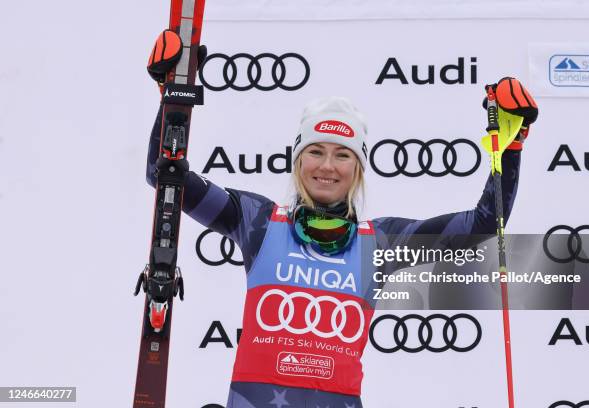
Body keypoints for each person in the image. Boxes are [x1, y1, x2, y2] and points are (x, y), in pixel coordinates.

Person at [146, 31, 538, 408]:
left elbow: (481, 227)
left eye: (343, 154)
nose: (327, 167)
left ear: (359, 167)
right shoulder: (259, 222)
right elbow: (165, 177)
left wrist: (510, 147)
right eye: (316, 151)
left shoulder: (379, 242)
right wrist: (172, 102)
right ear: (298, 161)